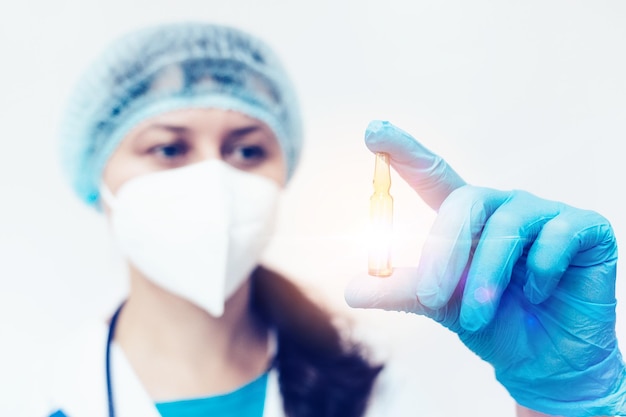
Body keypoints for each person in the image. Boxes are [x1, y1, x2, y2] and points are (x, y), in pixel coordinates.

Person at [39, 20, 626, 417]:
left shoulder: (379, 390)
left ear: (281, 174)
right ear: (98, 178)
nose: (213, 180)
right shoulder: (37, 395)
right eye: (168, 148)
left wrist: (566, 401)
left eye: (247, 150)